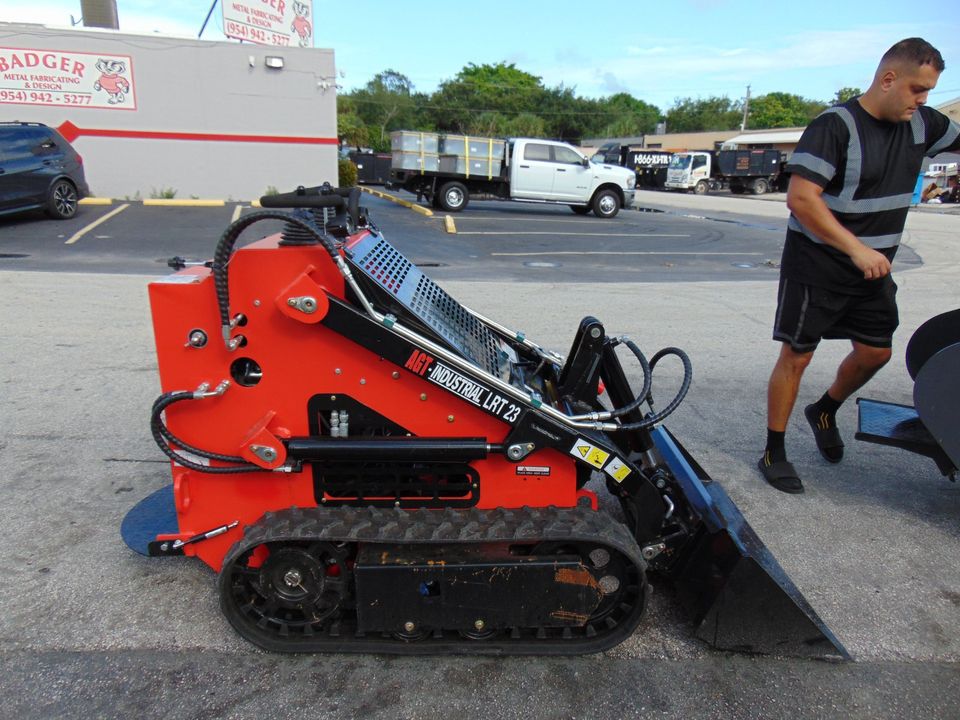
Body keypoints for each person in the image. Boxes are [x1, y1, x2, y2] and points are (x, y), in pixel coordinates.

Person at [759, 38, 960, 494]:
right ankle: (774, 450)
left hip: (873, 269)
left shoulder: (924, 124)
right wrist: (856, 249)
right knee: (797, 356)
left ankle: (824, 409)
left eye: (928, 91)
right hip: (818, 266)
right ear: (888, 79)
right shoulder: (835, 127)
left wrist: (868, 256)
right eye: (917, 89)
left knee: (876, 353)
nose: (923, 99)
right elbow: (801, 199)